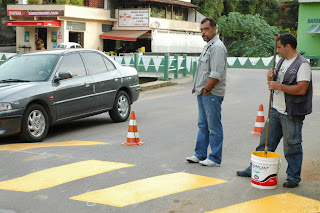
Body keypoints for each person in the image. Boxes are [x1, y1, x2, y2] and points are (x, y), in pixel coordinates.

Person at [236, 33, 313, 188]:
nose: (277, 51)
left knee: (292, 146)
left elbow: (301, 89)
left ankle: (293, 177)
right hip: (276, 109)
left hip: (291, 113)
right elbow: (273, 84)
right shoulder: (282, 61)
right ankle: (255, 168)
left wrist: (279, 86)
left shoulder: (302, 64)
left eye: (279, 47)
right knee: (265, 142)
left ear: (288, 47)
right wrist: (270, 78)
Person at [186, 18, 227, 167]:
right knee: (203, 124)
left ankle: (215, 158)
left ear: (215, 29)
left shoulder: (217, 47)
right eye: (202, 30)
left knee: (213, 126)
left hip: (211, 94)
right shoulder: (208, 46)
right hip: (203, 93)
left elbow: (216, 74)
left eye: (206, 29)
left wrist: (206, 89)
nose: (203, 32)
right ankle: (200, 154)